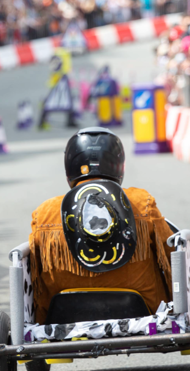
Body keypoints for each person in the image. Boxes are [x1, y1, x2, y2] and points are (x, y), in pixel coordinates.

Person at [28, 128, 174, 324]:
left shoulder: (44, 213)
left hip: (62, 317)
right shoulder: (142, 202)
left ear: (69, 169)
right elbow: (170, 255)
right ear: (118, 166)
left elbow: (34, 275)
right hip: (144, 314)